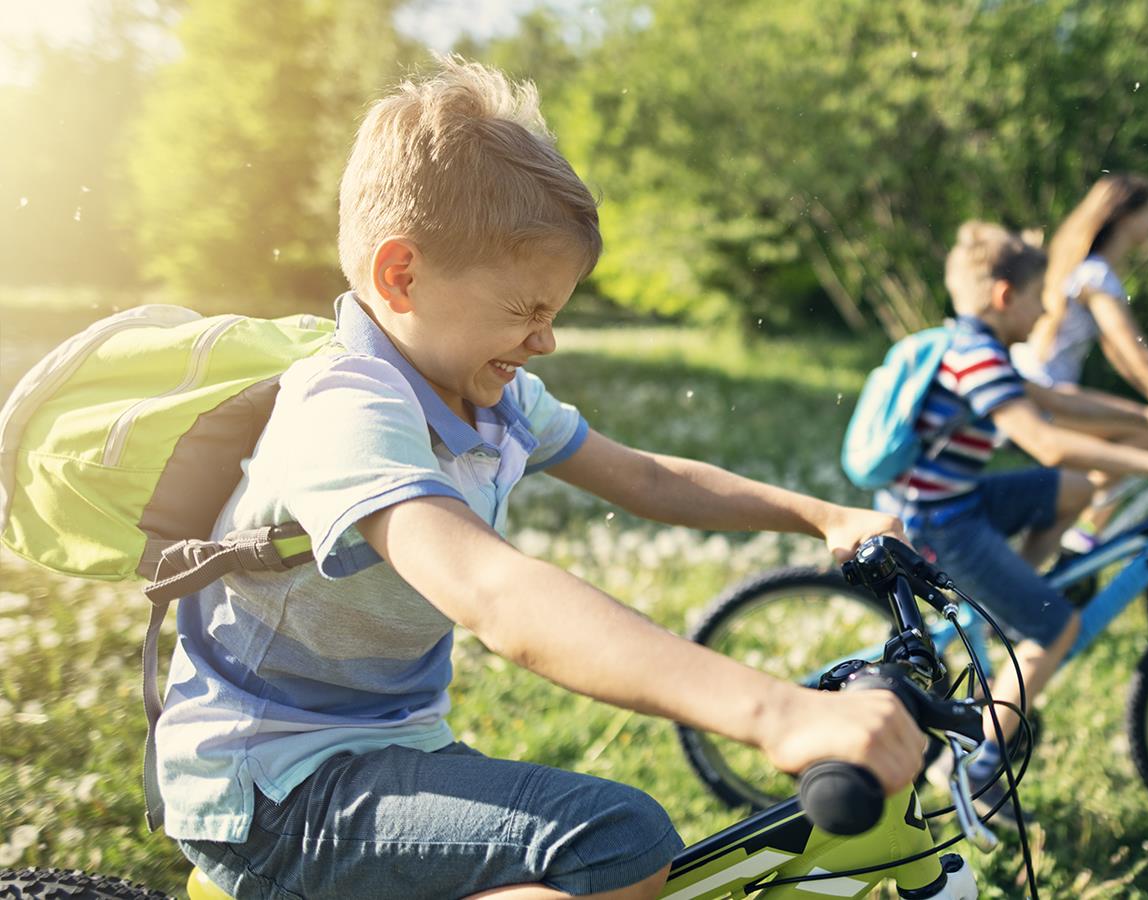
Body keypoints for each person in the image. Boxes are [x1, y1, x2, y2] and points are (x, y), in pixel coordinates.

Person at [156, 56, 927, 900]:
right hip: (271, 788)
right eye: (528, 311)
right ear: (400, 276)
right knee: (614, 842)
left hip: (389, 749)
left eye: (554, 314)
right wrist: (776, 712)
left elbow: (649, 480)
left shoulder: (499, 399)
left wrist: (820, 516)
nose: (545, 341)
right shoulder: (347, 407)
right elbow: (494, 593)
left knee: (610, 850)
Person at [875, 221, 1148, 826]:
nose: (1046, 312)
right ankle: (976, 773)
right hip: (940, 521)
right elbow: (1046, 440)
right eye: (1039, 299)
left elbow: (1055, 400)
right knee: (1057, 628)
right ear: (1005, 296)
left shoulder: (975, 344)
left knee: (1076, 492)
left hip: (959, 500)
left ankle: (1005, 607)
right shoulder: (976, 356)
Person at [1014, 174, 1148, 551]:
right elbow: (1137, 352)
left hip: (1039, 385)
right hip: (1045, 392)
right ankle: (1083, 533)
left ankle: (1077, 525)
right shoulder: (1096, 275)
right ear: (1125, 217)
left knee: (1147, 431)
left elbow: (1121, 356)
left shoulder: (1087, 270)